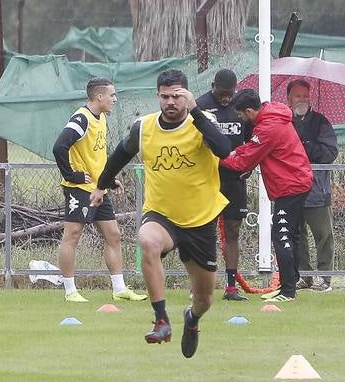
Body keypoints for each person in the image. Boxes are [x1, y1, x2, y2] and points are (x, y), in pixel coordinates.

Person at [91, 70, 233, 358]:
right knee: (148, 241)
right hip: (162, 215)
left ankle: (192, 319)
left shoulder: (202, 123)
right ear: (158, 96)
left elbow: (224, 149)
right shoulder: (143, 127)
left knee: (205, 298)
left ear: (187, 95)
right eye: (165, 96)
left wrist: (195, 111)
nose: (171, 102)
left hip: (200, 219)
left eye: (177, 96)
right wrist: (101, 185)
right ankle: (162, 319)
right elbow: (119, 155)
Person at [50, 77, 145, 303]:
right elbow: (59, 147)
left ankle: (119, 288)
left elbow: (97, 156)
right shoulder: (81, 118)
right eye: (112, 95)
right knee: (72, 236)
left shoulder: (101, 117)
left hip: (98, 189)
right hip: (79, 189)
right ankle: (70, 291)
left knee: (113, 235)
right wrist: (71, 175)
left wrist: (109, 180)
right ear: (99, 96)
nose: (115, 99)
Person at [221, 89, 313, 302]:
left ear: (250, 111)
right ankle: (289, 283)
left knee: (280, 236)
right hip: (297, 181)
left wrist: (217, 159)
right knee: (292, 235)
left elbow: (245, 161)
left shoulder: (268, 127)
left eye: (241, 115)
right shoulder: (273, 116)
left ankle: (288, 291)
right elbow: (252, 150)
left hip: (290, 186)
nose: (241, 119)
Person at [196, 69, 249, 301]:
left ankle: (230, 287)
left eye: (230, 94)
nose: (227, 98)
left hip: (234, 180)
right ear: (212, 86)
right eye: (222, 93)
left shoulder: (240, 106)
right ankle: (200, 285)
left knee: (233, 231)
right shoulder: (200, 107)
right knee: (202, 231)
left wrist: (250, 164)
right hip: (208, 178)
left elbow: (251, 141)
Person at [288, 79, 339, 292]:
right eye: (298, 95)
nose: (302, 99)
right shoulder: (283, 122)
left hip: (316, 189)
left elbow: (330, 153)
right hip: (290, 188)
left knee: (323, 234)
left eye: (305, 95)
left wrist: (306, 145)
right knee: (295, 235)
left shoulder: (321, 122)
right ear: (289, 99)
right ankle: (304, 276)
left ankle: (325, 278)